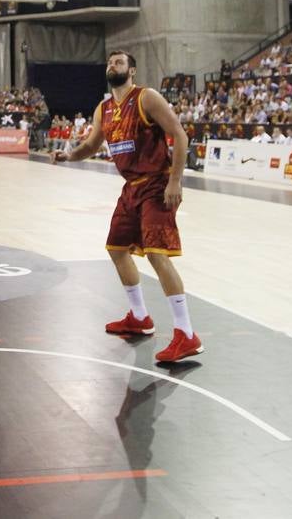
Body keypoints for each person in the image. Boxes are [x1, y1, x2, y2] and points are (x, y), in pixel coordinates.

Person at [55, 50, 203, 364]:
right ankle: (140, 317)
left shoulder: (146, 98)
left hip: (156, 184)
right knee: (116, 248)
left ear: (132, 71)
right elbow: (92, 145)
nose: (112, 65)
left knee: (156, 254)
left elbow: (180, 135)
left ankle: (186, 333)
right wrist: (69, 156)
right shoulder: (103, 108)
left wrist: (176, 181)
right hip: (130, 189)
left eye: (119, 62)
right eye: (109, 61)